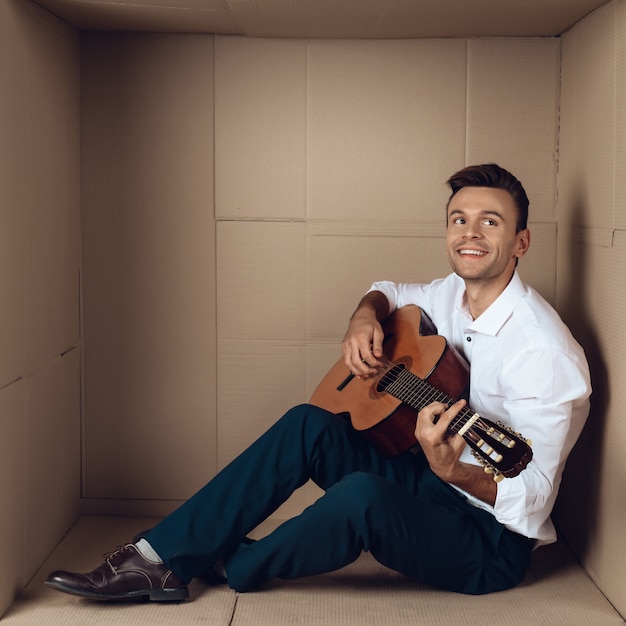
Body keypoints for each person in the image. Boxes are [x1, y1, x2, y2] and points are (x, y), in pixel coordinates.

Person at [45, 163, 591, 600]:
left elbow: (534, 497)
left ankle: (236, 561)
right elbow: (387, 291)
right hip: (431, 482)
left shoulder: (544, 353)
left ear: (520, 242)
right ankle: (157, 560)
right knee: (309, 423)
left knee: (361, 497)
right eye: (459, 219)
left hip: (488, 540)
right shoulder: (451, 291)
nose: (470, 233)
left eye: (490, 222)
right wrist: (363, 316)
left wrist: (457, 472)